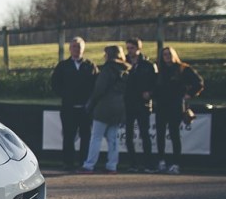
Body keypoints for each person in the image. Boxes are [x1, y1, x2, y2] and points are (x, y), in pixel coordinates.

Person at [78, 45, 130, 174]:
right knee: (113, 139)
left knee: (96, 137)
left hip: (104, 106)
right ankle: (112, 165)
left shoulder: (107, 69)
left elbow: (99, 89)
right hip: (119, 106)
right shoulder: (126, 69)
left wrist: (91, 104)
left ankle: (89, 164)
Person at [51, 37, 99, 171]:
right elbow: (55, 84)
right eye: (74, 47)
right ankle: (68, 163)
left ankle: (84, 162)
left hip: (86, 109)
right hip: (68, 108)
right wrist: (66, 96)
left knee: (86, 136)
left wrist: (90, 100)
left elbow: (96, 85)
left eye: (79, 47)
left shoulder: (90, 65)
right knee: (68, 136)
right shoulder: (63, 66)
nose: (76, 49)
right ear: (69, 49)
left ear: (83, 49)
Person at [154, 46, 204, 175]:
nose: (167, 57)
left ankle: (176, 163)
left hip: (175, 105)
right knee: (160, 134)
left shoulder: (183, 69)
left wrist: (189, 94)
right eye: (164, 54)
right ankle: (161, 161)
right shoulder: (159, 70)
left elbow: (199, 82)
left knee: (174, 134)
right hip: (161, 105)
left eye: (169, 54)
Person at [123, 38, 157, 172]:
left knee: (145, 134)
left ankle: (148, 163)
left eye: (132, 48)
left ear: (138, 48)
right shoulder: (124, 63)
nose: (129, 51)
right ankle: (133, 163)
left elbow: (156, 83)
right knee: (128, 135)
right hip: (128, 103)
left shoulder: (148, 65)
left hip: (143, 104)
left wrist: (150, 93)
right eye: (128, 48)